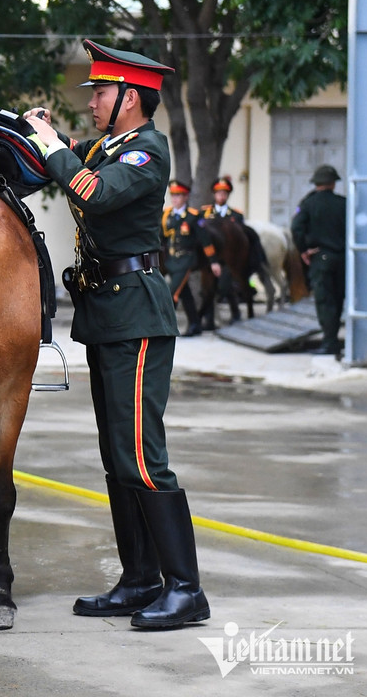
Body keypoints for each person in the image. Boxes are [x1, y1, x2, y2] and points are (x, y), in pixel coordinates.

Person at [24, 39, 209, 630]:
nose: (93, 103)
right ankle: (140, 580)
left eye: (101, 92)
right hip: (108, 315)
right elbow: (65, 163)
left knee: (142, 458)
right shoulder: (108, 147)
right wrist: (30, 136)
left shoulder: (146, 152)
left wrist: (54, 147)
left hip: (137, 317)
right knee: (116, 459)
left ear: (131, 98)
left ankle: (186, 589)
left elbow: (94, 194)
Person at [291, 164, 346, 358]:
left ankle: (329, 343)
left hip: (321, 259)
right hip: (343, 259)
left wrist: (304, 250)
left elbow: (296, 227)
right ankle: (333, 340)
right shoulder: (344, 203)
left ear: (316, 183)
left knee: (325, 301)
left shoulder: (308, 203)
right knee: (338, 300)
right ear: (333, 183)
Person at [161, 181, 221, 337]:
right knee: (184, 293)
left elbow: (205, 240)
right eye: (173, 196)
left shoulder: (193, 216)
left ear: (185, 197)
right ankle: (195, 324)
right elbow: (160, 237)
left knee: (172, 293)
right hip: (171, 261)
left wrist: (213, 261)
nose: (175, 199)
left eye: (178, 196)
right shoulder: (166, 215)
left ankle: (164, 329)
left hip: (186, 260)